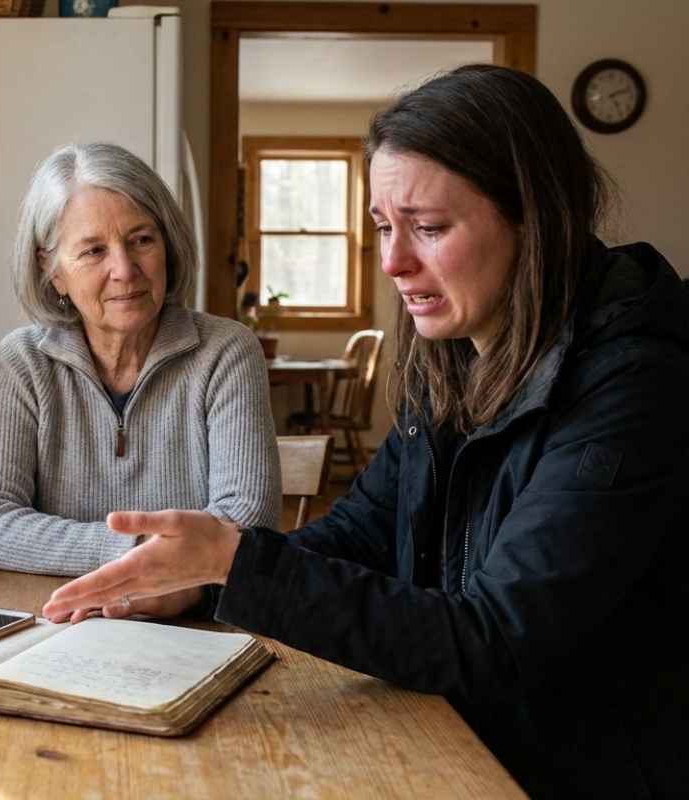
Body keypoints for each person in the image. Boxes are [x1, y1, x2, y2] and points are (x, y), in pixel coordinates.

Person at [43, 66, 689, 799]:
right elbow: (360, 534)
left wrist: (237, 564)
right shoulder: (454, 355)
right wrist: (206, 582)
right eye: (385, 227)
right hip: (456, 736)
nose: (392, 262)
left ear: (533, 218)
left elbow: (495, 643)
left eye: (429, 228)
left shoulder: (637, 382)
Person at [0, 141, 280, 589]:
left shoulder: (226, 352)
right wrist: (136, 549)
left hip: (192, 621)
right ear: (53, 271)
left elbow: (246, 526)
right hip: (53, 618)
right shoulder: (22, 363)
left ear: (168, 244)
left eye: (141, 240)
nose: (125, 270)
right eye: (93, 250)